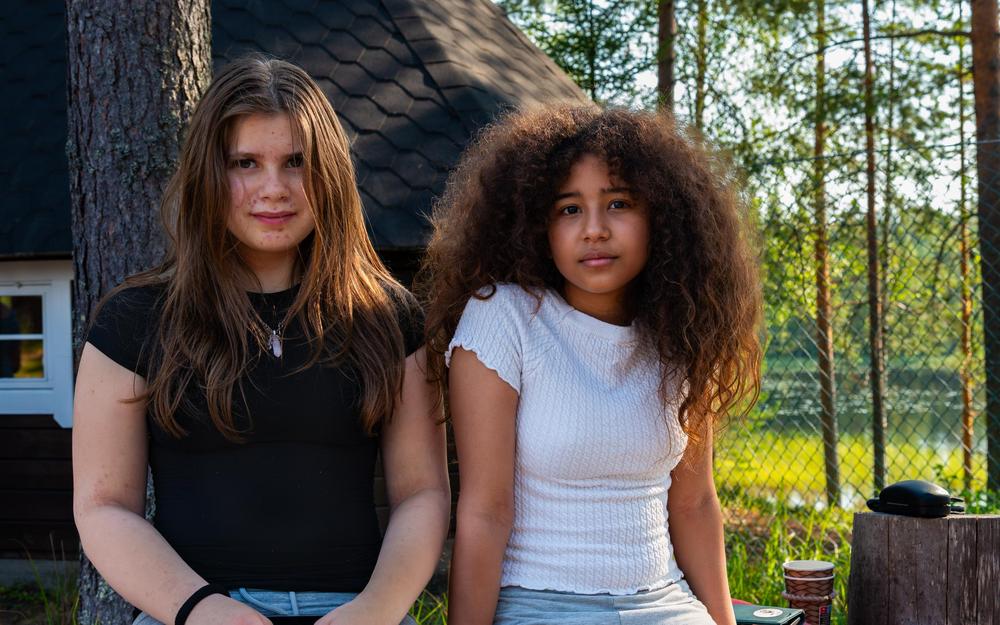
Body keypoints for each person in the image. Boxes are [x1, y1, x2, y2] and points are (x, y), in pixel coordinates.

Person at [72, 57, 450, 625]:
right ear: (208, 174)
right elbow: (104, 506)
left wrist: (376, 609)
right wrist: (201, 610)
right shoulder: (133, 320)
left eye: (297, 162)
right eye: (244, 163)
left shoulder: (388, 318)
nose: (274, 189)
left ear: (330, 175)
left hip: (354, 611)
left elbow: (423, 493)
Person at [420, 105, 762, 625]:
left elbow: (694, 504)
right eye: (569, 209)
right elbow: (485, 512)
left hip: (666, 603)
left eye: (618, 203)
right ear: (538, 224)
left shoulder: (682, 331)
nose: (594, 230)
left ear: (662, 216)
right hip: (540, 606)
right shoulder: (504, 317)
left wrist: (723, 621)